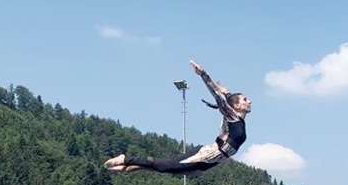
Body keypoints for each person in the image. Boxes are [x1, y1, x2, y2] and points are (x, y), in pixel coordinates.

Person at [104, 60, 250, 175]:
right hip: (208, 154)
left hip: (211, 162)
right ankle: (126, 159)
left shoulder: (237, 118)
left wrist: (227, 93)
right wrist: (203, 74)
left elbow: (227, 99)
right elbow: (218, 97)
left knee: (174, 168)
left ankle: (133, 166)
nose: (249, 101)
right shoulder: (233, 117)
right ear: (236, 106)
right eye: (245, 99)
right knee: (168, 166)